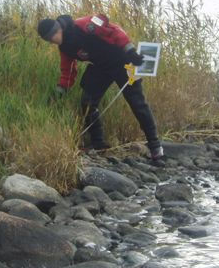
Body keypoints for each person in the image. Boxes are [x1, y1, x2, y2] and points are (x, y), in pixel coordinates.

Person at [37, 14, 164, 161]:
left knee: (137, 102)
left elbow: (115, 30)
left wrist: (130, 51)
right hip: (101, 68)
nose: (52, 41)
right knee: (87, 102)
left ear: (57, 29)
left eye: (52, 36)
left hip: (122, 61)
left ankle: (155, 145)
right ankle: (98, 144)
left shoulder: (84, 24)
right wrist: (61, 90)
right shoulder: (64, 47)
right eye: (48, 40)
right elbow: (68, 70)